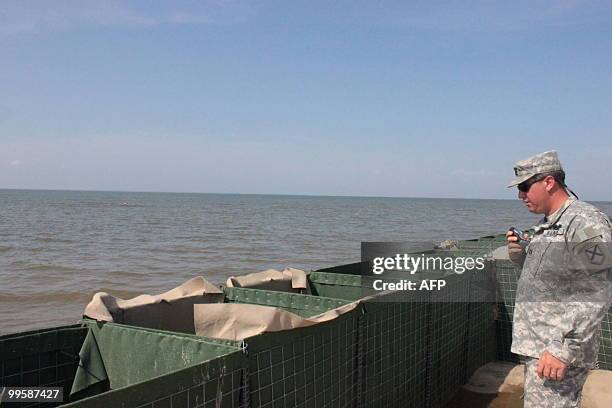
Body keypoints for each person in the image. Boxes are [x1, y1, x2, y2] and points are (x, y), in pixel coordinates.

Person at [506, 150, 611, 407]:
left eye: (525, 186)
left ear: (549, 182)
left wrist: (561, 349)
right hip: (540, 348)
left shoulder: (584, 222)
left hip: (557, 351)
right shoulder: (551, 225)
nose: (521, 195)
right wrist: (522, 254)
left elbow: (598, 288)